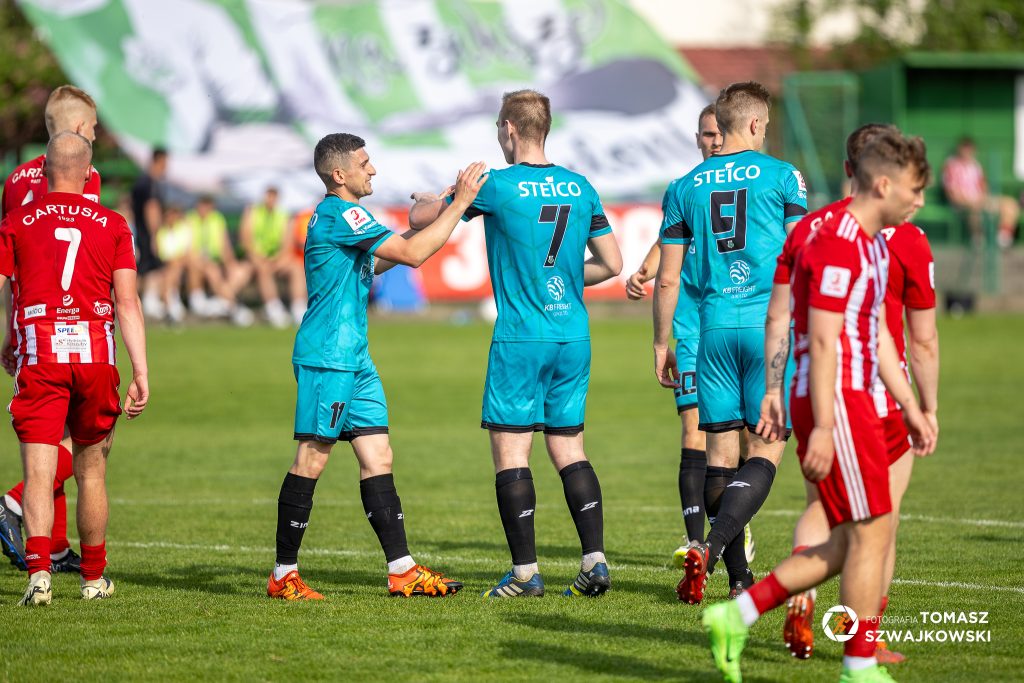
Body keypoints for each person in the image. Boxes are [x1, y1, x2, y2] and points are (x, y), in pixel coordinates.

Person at [701, 129, 937, 683]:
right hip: (839, 403)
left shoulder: (874, 242)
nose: (921, 201)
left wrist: (911, 405)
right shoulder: (836, 243)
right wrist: (826, 426)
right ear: (884, 184)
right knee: (870, 531)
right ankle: (858, 665)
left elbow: (878, 334)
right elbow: (826, 340)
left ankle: (739, 615)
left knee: (859, 534)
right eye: (915, 189)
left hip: (857, 401)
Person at [409, 90, 623, 598]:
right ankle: (594, 562)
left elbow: (421, 221)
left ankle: (525, 574)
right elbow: (613, 264)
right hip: (572, 334)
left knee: (511, 451)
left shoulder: (496, 185)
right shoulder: (580, 186)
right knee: (569, 447)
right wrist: (562, 281)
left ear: (509, 128)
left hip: (522, 336)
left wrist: (432, 197)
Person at [267, 132, 487, 600]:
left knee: (378, 456)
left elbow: (389, 256)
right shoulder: (340, 213)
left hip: (355, 357)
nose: (373, 170)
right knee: (312, 458)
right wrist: (460, 204)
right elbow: (413, 256)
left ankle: (401, 570)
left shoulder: (348, 217)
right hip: (328, 357)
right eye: (364, 163)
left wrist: (445, 207)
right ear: (339, 174)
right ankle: (283, 575)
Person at [653, 82, 807, 601]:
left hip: (712, 330)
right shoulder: (783, 176)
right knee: (764, 451)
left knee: (718, 457)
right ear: (757, 124)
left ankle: (739, 579)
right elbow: (802, 255)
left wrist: (660, 343)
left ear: (720, 125)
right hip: (769, 327)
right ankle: (713, 550)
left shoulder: (684, 187)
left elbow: (668, 279)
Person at [0, 132, 149, 605]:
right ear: (89, 173)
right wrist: (141, 372)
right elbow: (127, 303)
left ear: (44, 170)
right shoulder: (114, 224)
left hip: (41, 355)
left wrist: (7, 338)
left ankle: (39, 577)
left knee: (39, 472)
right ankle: (93, 579)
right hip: (96, 358)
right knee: (92, 475)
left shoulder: (17, 221)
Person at [624, 104, 755, 577]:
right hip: (692, 327)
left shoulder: (745, 188)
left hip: (735, 321)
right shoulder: (686, 189)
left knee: (743, 438)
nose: (713, 142)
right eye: (705, 134)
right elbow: (669, 243)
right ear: (697, 138)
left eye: (718, 134)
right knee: (693, 428)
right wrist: (645, 270)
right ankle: (696, 541)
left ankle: (735, 519)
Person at [0, 84, 102, 575]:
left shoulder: (15, 179)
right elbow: (83, 248)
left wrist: (8, 331)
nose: (95, 136)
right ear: (79, 128)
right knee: (86, 443)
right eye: (94, 128)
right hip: (73, 322)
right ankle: (13, 501)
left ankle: (56, 549)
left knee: (48, 430)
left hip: (26, 323)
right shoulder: (85, 174)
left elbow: (11, 260)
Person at [238, 187, 306, 327]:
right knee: (261, 269)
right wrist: (257, 258)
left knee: (297, 268)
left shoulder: (283, 215)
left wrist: (278, 259)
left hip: (276, 259)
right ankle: (273, 308)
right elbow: (245, 240)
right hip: (256, 259)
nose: (270, 200)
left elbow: (287, 243)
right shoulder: (252, 212)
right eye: (268, 196)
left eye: (273, 197)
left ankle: (298, 308)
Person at [184, 195, 254, 326]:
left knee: (240, 272)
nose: (204, 209)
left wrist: (231, 264)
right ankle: (234, 306)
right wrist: (201, 261)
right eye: (202, 206)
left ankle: (220, 303)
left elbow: (224, 247)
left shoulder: (217, 219)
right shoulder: (190, 219)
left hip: (213, 261)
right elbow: (187, 249)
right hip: (196, 262)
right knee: (212, 271)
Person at [942, 137, 1020, 248]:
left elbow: (983, 186)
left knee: (1010, 203)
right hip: (962, 202)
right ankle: (978, 238)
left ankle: (1003, 238)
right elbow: (951, 192)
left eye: (970, 149)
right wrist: (969, 200)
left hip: (980, 199)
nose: (967, 152)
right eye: (965, 149)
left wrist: (984, 198)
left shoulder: (976, 166)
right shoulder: (951, 166)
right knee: (977, 207)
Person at [132, 147, 169, 319]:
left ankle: (148, 300)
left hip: (140, 231)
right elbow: (151, 208)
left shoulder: (141, 182)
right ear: (159, 161)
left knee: (145, 269)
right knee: (147, 269)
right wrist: (155, 235)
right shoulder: (151, 184)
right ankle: (145, 302)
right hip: (147, 234)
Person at [155, 204, 193, 323]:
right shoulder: (161, 232)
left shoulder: (183, 229)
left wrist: (176, 260)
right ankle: (172, 302)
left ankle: (170, 304)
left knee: (172, 271)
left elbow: (186, 251)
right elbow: (162, 254)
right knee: (171, 272)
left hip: (183, 263)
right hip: (170, 265)